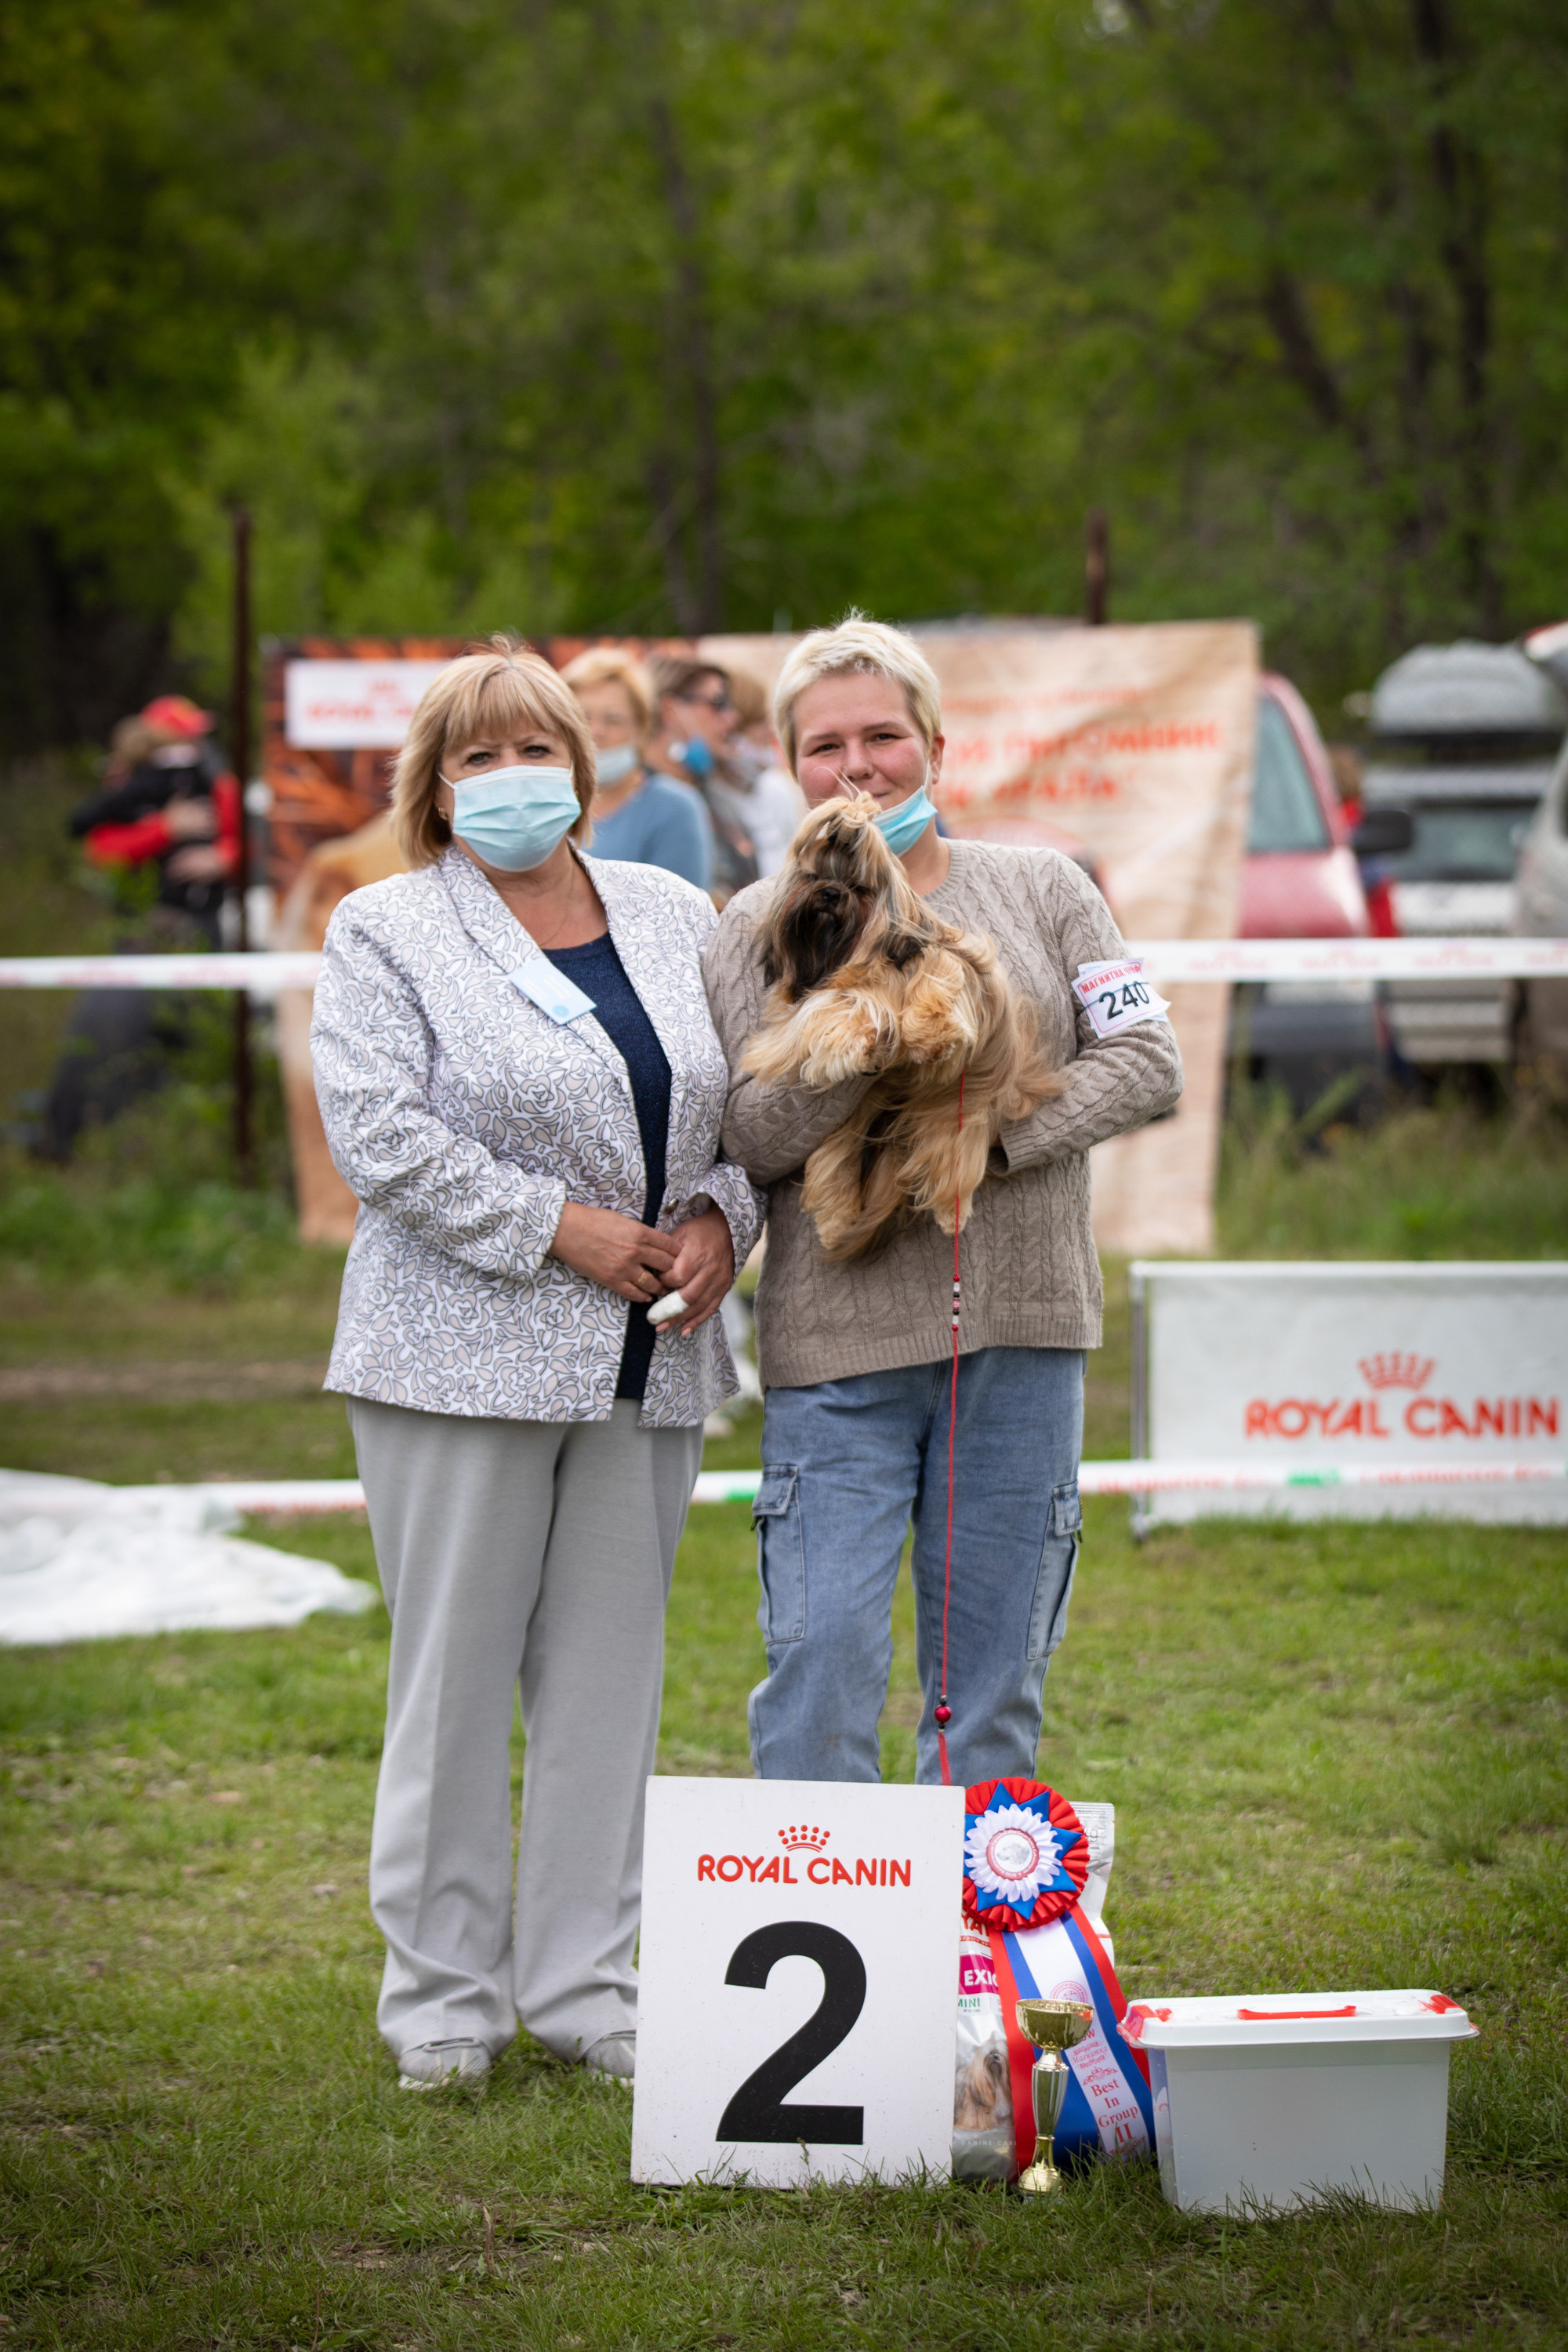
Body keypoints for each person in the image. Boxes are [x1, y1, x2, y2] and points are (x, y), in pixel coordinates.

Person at [311, 638, 761, 2089]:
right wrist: (559, 1228)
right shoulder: (386, 928)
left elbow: (746, 1109)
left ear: (583, 764)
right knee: (451, 1688)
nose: (513, 775)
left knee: (609, 1690)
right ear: (437, 786)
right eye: (479, 755)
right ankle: (444, 2000)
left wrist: (724, 1218)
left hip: (652, 1360)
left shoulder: (673, 908)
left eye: (536, 748)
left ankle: (586, 1989)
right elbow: (378, 1133)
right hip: (459, 1359)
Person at [703, 617, 1184, 1791]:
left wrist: (975, 1140)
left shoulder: (1046, 888)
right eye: (824, 746)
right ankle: (823, 1889)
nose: (856, 768)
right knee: (819, 1664)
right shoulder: (752, 926)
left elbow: (1148, 1061)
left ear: (936, 745)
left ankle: (973, 1905)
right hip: (840, 1354)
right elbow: (749, 1136)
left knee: (990, 1685)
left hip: (1022, 1337)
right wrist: (865, 1043)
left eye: (883, 736)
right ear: (789, 765)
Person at [68, 695, 240, 938]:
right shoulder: (127, 789)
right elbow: (99, 851)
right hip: (141, 917)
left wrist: (224, 858)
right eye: (187, 736)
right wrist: (166, 828)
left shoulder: (218, 785)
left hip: (208, 915)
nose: (196, 744)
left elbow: (252, 844)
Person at [559, 646, 714, 891]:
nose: (596, 732)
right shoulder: (551, 804)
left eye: (614, 720)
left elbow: (680, 907)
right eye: (583, 718)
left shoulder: (675, 808)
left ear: (641, 728)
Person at [648, 655, 759, 904]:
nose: (732, 717)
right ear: (670, 710)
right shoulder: (633, 801)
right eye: (718, 703)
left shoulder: (716, 795)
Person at [707, 667, 808, 878]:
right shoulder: (709, 800)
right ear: (732, 732)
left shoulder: (777, 790)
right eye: (760, 721)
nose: (770, 732)